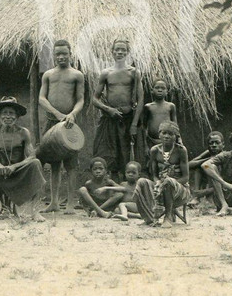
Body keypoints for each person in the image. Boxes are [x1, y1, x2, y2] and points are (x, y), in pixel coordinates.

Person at [38, 39, 86, 214]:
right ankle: (54, 202)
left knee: (71, 165)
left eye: (64, 53)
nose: (61, 57)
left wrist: (72, 114)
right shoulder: (48, 74)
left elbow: (81, 99)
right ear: (54, 55)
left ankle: (71, 204)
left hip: (69, 124)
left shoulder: (77, 75)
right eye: (58, 54)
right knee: (54, 163)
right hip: (51, 122)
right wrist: (56, 114)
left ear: (70, 54)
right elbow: (41, 98)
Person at [92, 38, 143, 179]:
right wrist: (108, 110)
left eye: (123, 50)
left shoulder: (134, 73)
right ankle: (113, 186)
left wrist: (134, 124)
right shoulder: (106, 73)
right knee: (110, 153)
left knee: (126, 153)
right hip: (110, 119)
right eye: (117, 49)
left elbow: (141, 99)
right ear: (112, 52)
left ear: (128, 52)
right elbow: (94, 99)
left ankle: (127, 187)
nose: (120, 52)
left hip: (127, 119)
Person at [134, 121, 191, 228]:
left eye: (170, 134)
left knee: (168, 181)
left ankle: (168, 217)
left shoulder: (181, 150)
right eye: (164, 133)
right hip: (160, 188)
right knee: (141, 182)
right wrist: (158, 183)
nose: (166, 136)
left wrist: (165, 183)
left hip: (179, 190)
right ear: (159, 134)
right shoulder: (154, 150)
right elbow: (154, 174)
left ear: (176, 136)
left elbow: (186, 177)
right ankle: (149, 218)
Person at [188, 131, 225, 205]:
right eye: (211, 143)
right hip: (211, 184)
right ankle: (196, 198)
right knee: (200, 168)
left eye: (217, 143)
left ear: (223, 145)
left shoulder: (225, 155)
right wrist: (208, 159)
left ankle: (205, 195)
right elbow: (189, 164)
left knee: (211, 167)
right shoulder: (208, 153)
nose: (214, 145)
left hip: (222, 185)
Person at [140, 78, 176, 150]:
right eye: (157, 88)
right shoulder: (148, 107)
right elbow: (144, 127)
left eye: (163, 88)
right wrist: (145, 145)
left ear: (167, 92)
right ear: (152, 90)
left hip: (168, 142)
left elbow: (174, 125)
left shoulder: (171, 106)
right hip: (152, 141)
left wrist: (179, 140)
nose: (160, 90)